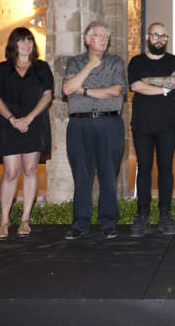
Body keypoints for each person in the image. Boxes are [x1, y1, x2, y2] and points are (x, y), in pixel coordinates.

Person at [62, 22, 126, 239]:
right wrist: (90, 66)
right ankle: (80, 223)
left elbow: (116, 91)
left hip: (109, 123)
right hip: (80, 125)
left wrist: (85, 90)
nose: (103, 39)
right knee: (82, 175)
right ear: (87, 39)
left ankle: (108, 222)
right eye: (98, 35)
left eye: (106, 36)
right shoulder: (75, 62)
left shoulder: (116, 61)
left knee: (109, 174)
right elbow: (68, 89)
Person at [0, 27, 53, 239]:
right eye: (22, 40)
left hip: (34, 122)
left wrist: (29, 118)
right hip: (10, 124)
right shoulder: (2, 68)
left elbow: (47, 95)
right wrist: (11, 119)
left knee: (30, 169)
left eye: (30, 40)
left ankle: (25, 219)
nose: (27, 44)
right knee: (10, 172)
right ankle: (4, 220)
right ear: (13, 44)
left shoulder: (41, 67)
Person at [128, 22, 175, 237]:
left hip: (168, 126)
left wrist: (149, 82)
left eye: (163, 37)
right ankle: (142, 215)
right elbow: (135, 86)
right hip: (142, 125)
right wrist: (163, 87)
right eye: (155, 36)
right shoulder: (136, 61)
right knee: (143, 169)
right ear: (147, 37)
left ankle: (165, 214)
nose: (159, 40)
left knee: (166, 169)